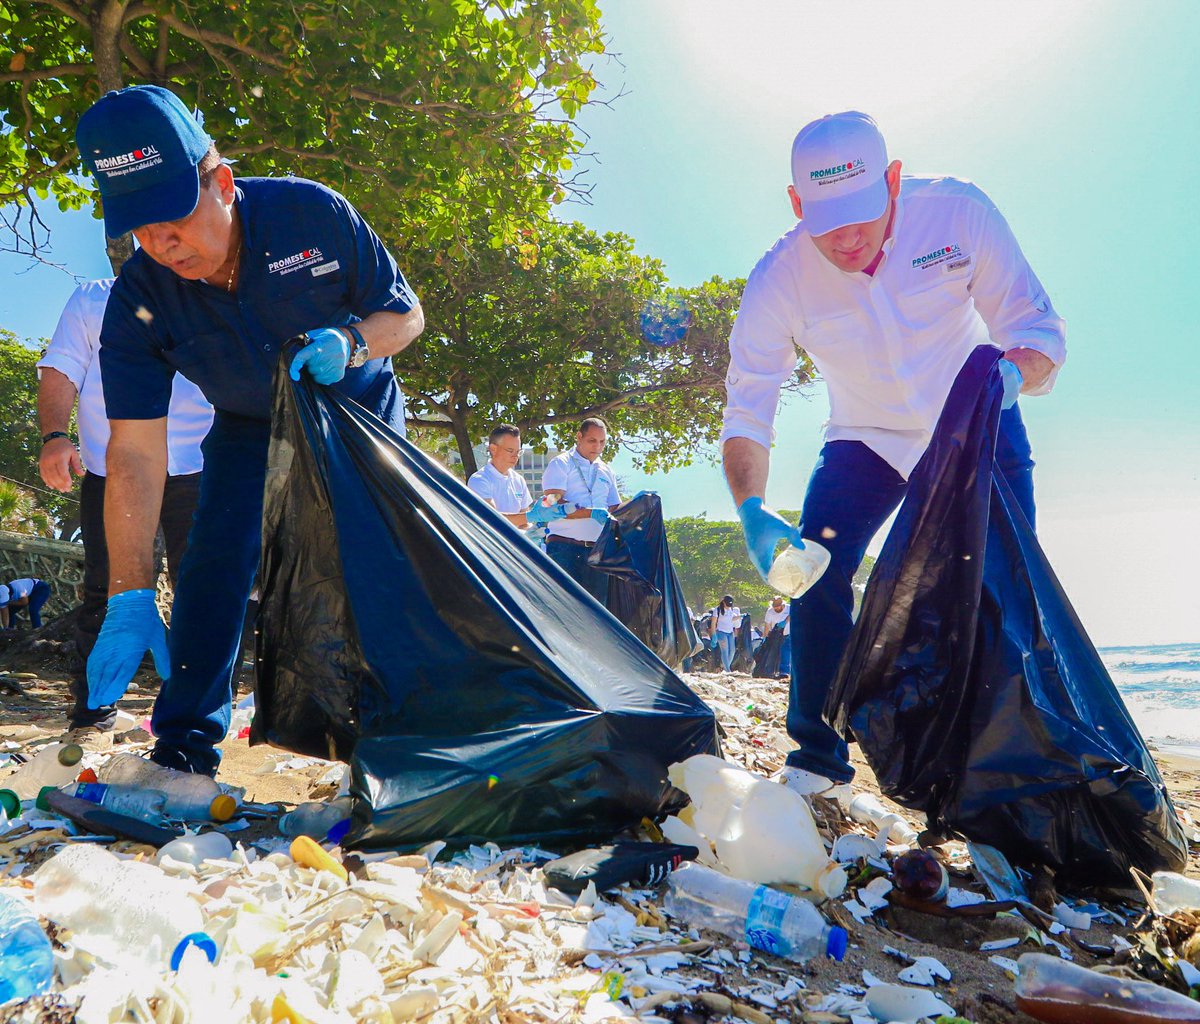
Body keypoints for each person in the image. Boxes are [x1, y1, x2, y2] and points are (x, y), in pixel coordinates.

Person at [75, 84, 425, 776]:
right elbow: (137, 454)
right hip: (247, 426)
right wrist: (129, 591)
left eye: (171, 216)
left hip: (355, 414)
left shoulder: (311, 213)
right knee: (211, 569)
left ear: (223, 184)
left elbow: (405, 318)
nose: (160, 242)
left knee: (374, 572)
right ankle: (181, 750)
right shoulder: (139, 301)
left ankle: (398, 742)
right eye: (138, 227)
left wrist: (352, 342)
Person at [721, 111, 1065, 796]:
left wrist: (1010, 376)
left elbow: (1038, 332)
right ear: (796, 205)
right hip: (865, 437)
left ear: (895, 180)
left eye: (862, 212)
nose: (847, 236)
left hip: (975, 419)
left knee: (1006, 589)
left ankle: (1009, 762)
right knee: (816, 572)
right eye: (827, 219)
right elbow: (747, 409)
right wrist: (752, 509)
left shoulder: (958, 215)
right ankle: (818, 758)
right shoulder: (778, 280)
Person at [38, 278, 214, 734]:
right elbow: (61, 368)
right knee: (105, 591)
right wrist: (55, 437)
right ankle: (92, 716)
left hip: (200, 465)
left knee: (204, 592)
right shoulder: (94, 296)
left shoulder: (220, 290)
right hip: (111, 467)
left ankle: (196, 716)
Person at [540, 417, 622, 602]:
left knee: (596, 614)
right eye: (592, 440)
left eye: (602, 442)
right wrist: (591, 513)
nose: (598, 447)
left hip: (597, 551)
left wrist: (643, 505)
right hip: (564, 547)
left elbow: (615, 507)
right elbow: (551, 504)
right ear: (579, 437)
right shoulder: (561, 463)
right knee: (565, 608)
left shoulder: (606, 470)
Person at [709, 595, 740, 672]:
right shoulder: (718, 610)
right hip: (721, 632)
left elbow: (731, 619)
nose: (728, 606)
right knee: (724, 651)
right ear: (723, 602)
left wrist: (740, 616)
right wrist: (714, 635)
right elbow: (713, 623)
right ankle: (728, 670)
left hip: (730, 633)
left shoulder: (730, 609)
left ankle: (725, 667)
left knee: (732, 651)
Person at [763, 595, 791, 678]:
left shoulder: (789, 608)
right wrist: (765, 637)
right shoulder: (770, 612)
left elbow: (793, 614)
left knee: (785, 652)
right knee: (773, 653)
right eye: (775, 607)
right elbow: (767, 625)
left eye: (778, 607)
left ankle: (784, 672)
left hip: (788, 633)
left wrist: (785, 621)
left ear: (782, 605)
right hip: (776, 636)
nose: (777, 609)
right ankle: (770, 671)